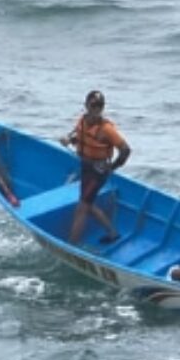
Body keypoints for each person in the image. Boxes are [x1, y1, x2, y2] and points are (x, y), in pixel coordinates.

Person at [60, 90, 131, 244]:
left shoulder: (107, 129)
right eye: (93, 105)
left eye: (100, 106)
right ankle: (112, 233)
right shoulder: (83, 121)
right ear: (86, 105)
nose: (97, 109)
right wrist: (68, 140)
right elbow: (79, 137)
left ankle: (72, 245)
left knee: (82, 207)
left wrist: (112, 167)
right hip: (85, 167)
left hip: (98, 173)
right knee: (88, 203)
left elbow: (125, 150)